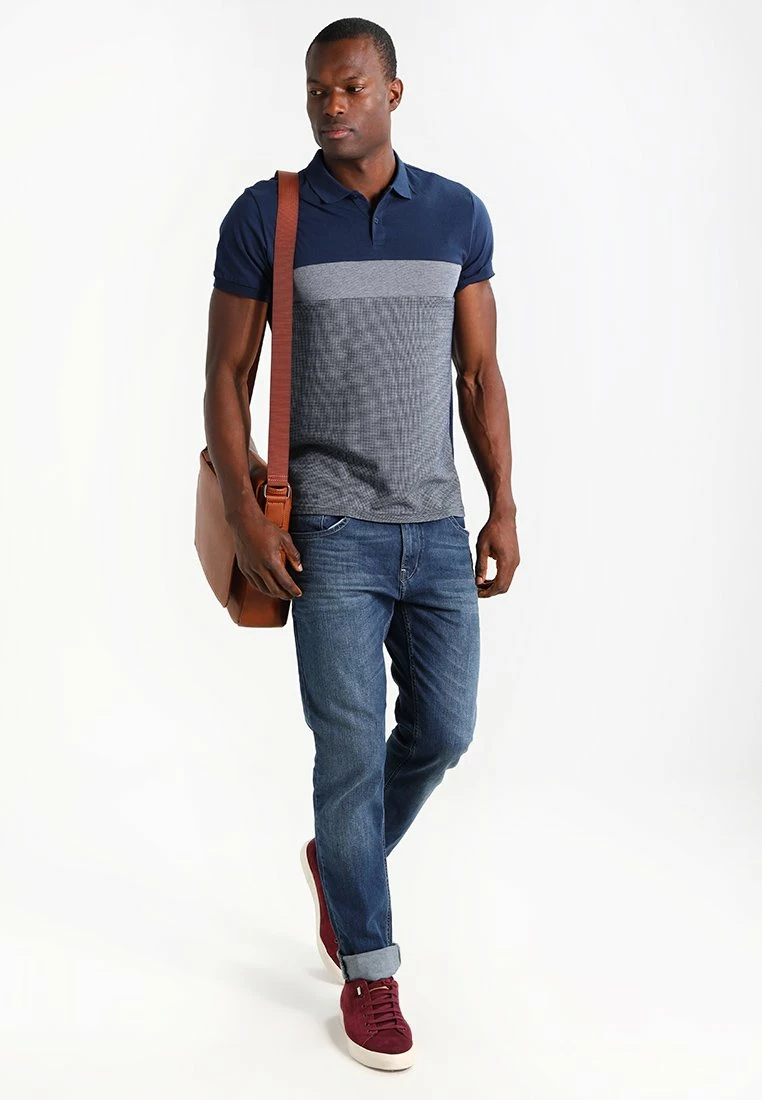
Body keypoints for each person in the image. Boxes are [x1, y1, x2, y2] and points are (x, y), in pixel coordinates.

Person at [203, 16, 519, 1072]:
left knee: (445, 730)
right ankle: (370, 968)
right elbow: (225, 377)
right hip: (328, 531)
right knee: (347, 752)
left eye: (349, 87)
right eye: (316, 89)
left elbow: (479, 373)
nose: (331, 105)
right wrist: (247, 516)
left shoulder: (457, 214)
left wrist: (503, 505)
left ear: (393, 92)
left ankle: (340, 865)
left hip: (435, 523)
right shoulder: (269, 215)